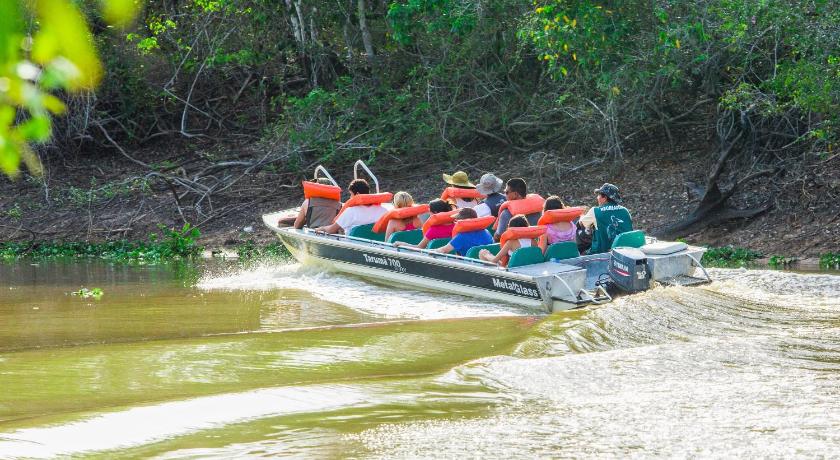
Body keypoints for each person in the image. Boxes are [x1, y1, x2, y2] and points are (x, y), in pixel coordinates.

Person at [315, 179, 387, 235]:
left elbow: (331, 230)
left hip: (355, 245)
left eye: (351, 194)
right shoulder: (383, 210)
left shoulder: (351, 211)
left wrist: (322, 228)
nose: (350, 197)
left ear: (357, 194)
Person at [578, 183, 633, 254]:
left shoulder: (595, 211)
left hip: (601, 254)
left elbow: (581, 223)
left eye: (598, 195)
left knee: (581, 253)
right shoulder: (625, 210)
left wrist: (581, 216)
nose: (597, 198)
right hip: (625, 252)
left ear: (605, 198)